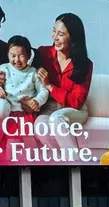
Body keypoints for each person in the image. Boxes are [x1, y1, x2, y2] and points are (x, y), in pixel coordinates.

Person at [30, 13, 92, 153]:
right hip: (49, 108)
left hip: (75, 110)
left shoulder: (85, 64)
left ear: (73, 37)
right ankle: (65, 162)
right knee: (40, 125)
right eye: (54, 31)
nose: (55, 37)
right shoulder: (43, 53)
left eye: (61, 34)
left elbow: (76, 102)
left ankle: (75, 164)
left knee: (56, 118)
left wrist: (50, 86)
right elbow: (20, 64)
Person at [0, 36, 47, 119]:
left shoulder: (33, 72)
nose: (17, 60)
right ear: (8, 54)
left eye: (21, 56)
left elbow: (43, 90)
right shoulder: (3, 68)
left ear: (28, 56)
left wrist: (37, 101)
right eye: (13, 56)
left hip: (25, 113)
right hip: (6, 111)